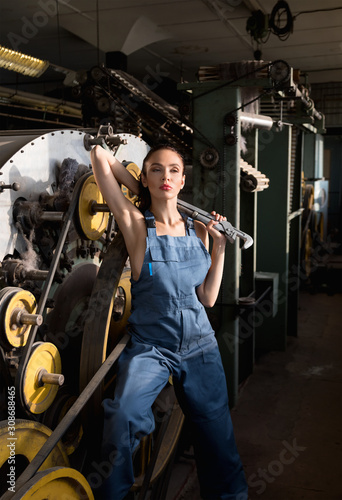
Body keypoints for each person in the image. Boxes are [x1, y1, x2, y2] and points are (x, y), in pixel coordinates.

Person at [90, 142, 248, 500]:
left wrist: (220, 249)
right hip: (152, 348)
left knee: (216, 433)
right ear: (145, 177)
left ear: (183, 179)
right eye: (157, 170)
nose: (166, 176)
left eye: (174, 170)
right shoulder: (135, 226)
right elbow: (99, 154)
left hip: (200, 346)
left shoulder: (200, 232)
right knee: (122, 418)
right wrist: (142, 189)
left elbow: (207, 297)